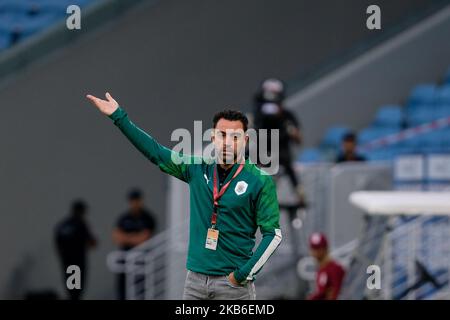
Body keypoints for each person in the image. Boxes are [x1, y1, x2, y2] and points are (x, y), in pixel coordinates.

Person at [86, 92, 282, 300]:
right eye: (222, 135)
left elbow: (273, 235)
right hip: (195, 283)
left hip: (233, 286)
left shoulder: (260, 180)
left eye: (235, 137)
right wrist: (119, 116)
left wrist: (241, 275)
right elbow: (156, 152)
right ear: (213, 137)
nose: (228, 142)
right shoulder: (197, 169)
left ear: (246, 140)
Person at [253, 78, 306, 206]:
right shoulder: (258, 116)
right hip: (262, 153)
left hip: (282, 154)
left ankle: (299, 193)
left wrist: (291, 130)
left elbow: (299, 139)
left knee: (288, 167)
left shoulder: (287, 116)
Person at [113, 188, 156, 300]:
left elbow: (144, 239)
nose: (135, 203)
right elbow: (117, 237)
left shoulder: (147, 218)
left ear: (141, 201)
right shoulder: (124, 218)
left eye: (137, 200)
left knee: (140, 288)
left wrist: (127, 237)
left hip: (141, 260)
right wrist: (134, 237)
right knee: (122, 288)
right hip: (125, 258)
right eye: (132, 200)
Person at [54, 200, 97, 300]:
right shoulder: (80, 224)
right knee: (76, 291)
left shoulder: (62, 225)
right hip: (77, 262)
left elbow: (57, 242)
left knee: (71, 288)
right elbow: (92, 242)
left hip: (66, 261)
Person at [307, 232, 345, 300]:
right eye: (313, 248)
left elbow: (337, 293)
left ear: (325, 248)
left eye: (318, 248)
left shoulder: (335, 268)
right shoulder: (321, 269)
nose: (315, 252)